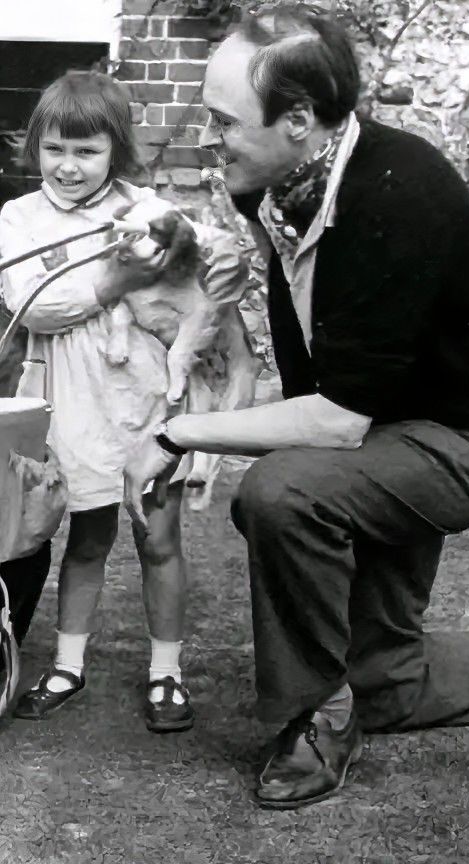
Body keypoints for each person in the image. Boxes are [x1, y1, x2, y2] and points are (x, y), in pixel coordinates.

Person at [123, 9, 469, 809]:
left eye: (224, 121)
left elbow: (335, 419)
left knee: (282, 490)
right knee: (389, 682)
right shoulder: (286, 187)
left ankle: (315, 718)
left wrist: (175, 433)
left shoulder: (394, 193)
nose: (210, 139)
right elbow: (324, 368)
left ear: (299, 120)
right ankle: (362, 694)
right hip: (392, 424)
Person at [0, 71, 245, 732]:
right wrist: (117, 279)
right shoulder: (19, 219)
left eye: (87, 151)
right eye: (55, 149)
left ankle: (167, 674)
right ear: (35, 148)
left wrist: (225, 266)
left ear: (116, 149)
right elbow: (40, 308)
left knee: (158, 536)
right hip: (68, 401)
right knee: (86, 537)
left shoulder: (147, 209)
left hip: (142, 401)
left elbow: (204, 279)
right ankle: (69, 664)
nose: (69, 166)